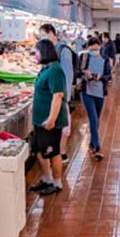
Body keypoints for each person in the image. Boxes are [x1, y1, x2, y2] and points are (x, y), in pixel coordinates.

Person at [31, 38, 68, 196]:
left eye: (36, 52)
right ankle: (47, 178)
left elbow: (58, 95)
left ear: (44, 52)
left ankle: (57, 183)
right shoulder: (45, 69)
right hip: (40, 119)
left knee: (53, 152)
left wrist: (52, 118)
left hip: (50, 121)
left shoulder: (55, 70)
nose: (35, 55)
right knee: (39, 150)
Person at [40, 23, 76, 160]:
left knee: (63, 125)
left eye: (43, 34)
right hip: (50, 95)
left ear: (51, 33)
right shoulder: (49, 50)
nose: (42, 38)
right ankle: (53, 153)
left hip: (60, 95)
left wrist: (64, 96)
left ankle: (62, 153)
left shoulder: (63, 50)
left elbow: (68, 74)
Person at [78, 36, 111, 160]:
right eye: (92, 49)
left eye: (96, 48)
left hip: (100, 92)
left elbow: (108, 75)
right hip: (87, 91)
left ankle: (92, 142)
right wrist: (85, 73)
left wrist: (100, 77)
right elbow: (78, 71)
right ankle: (97, 146)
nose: (94, 51)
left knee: (97, 119)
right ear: (88, 48)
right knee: (92, 118)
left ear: (100, 47)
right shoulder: (84, 58)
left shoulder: (105, 59)